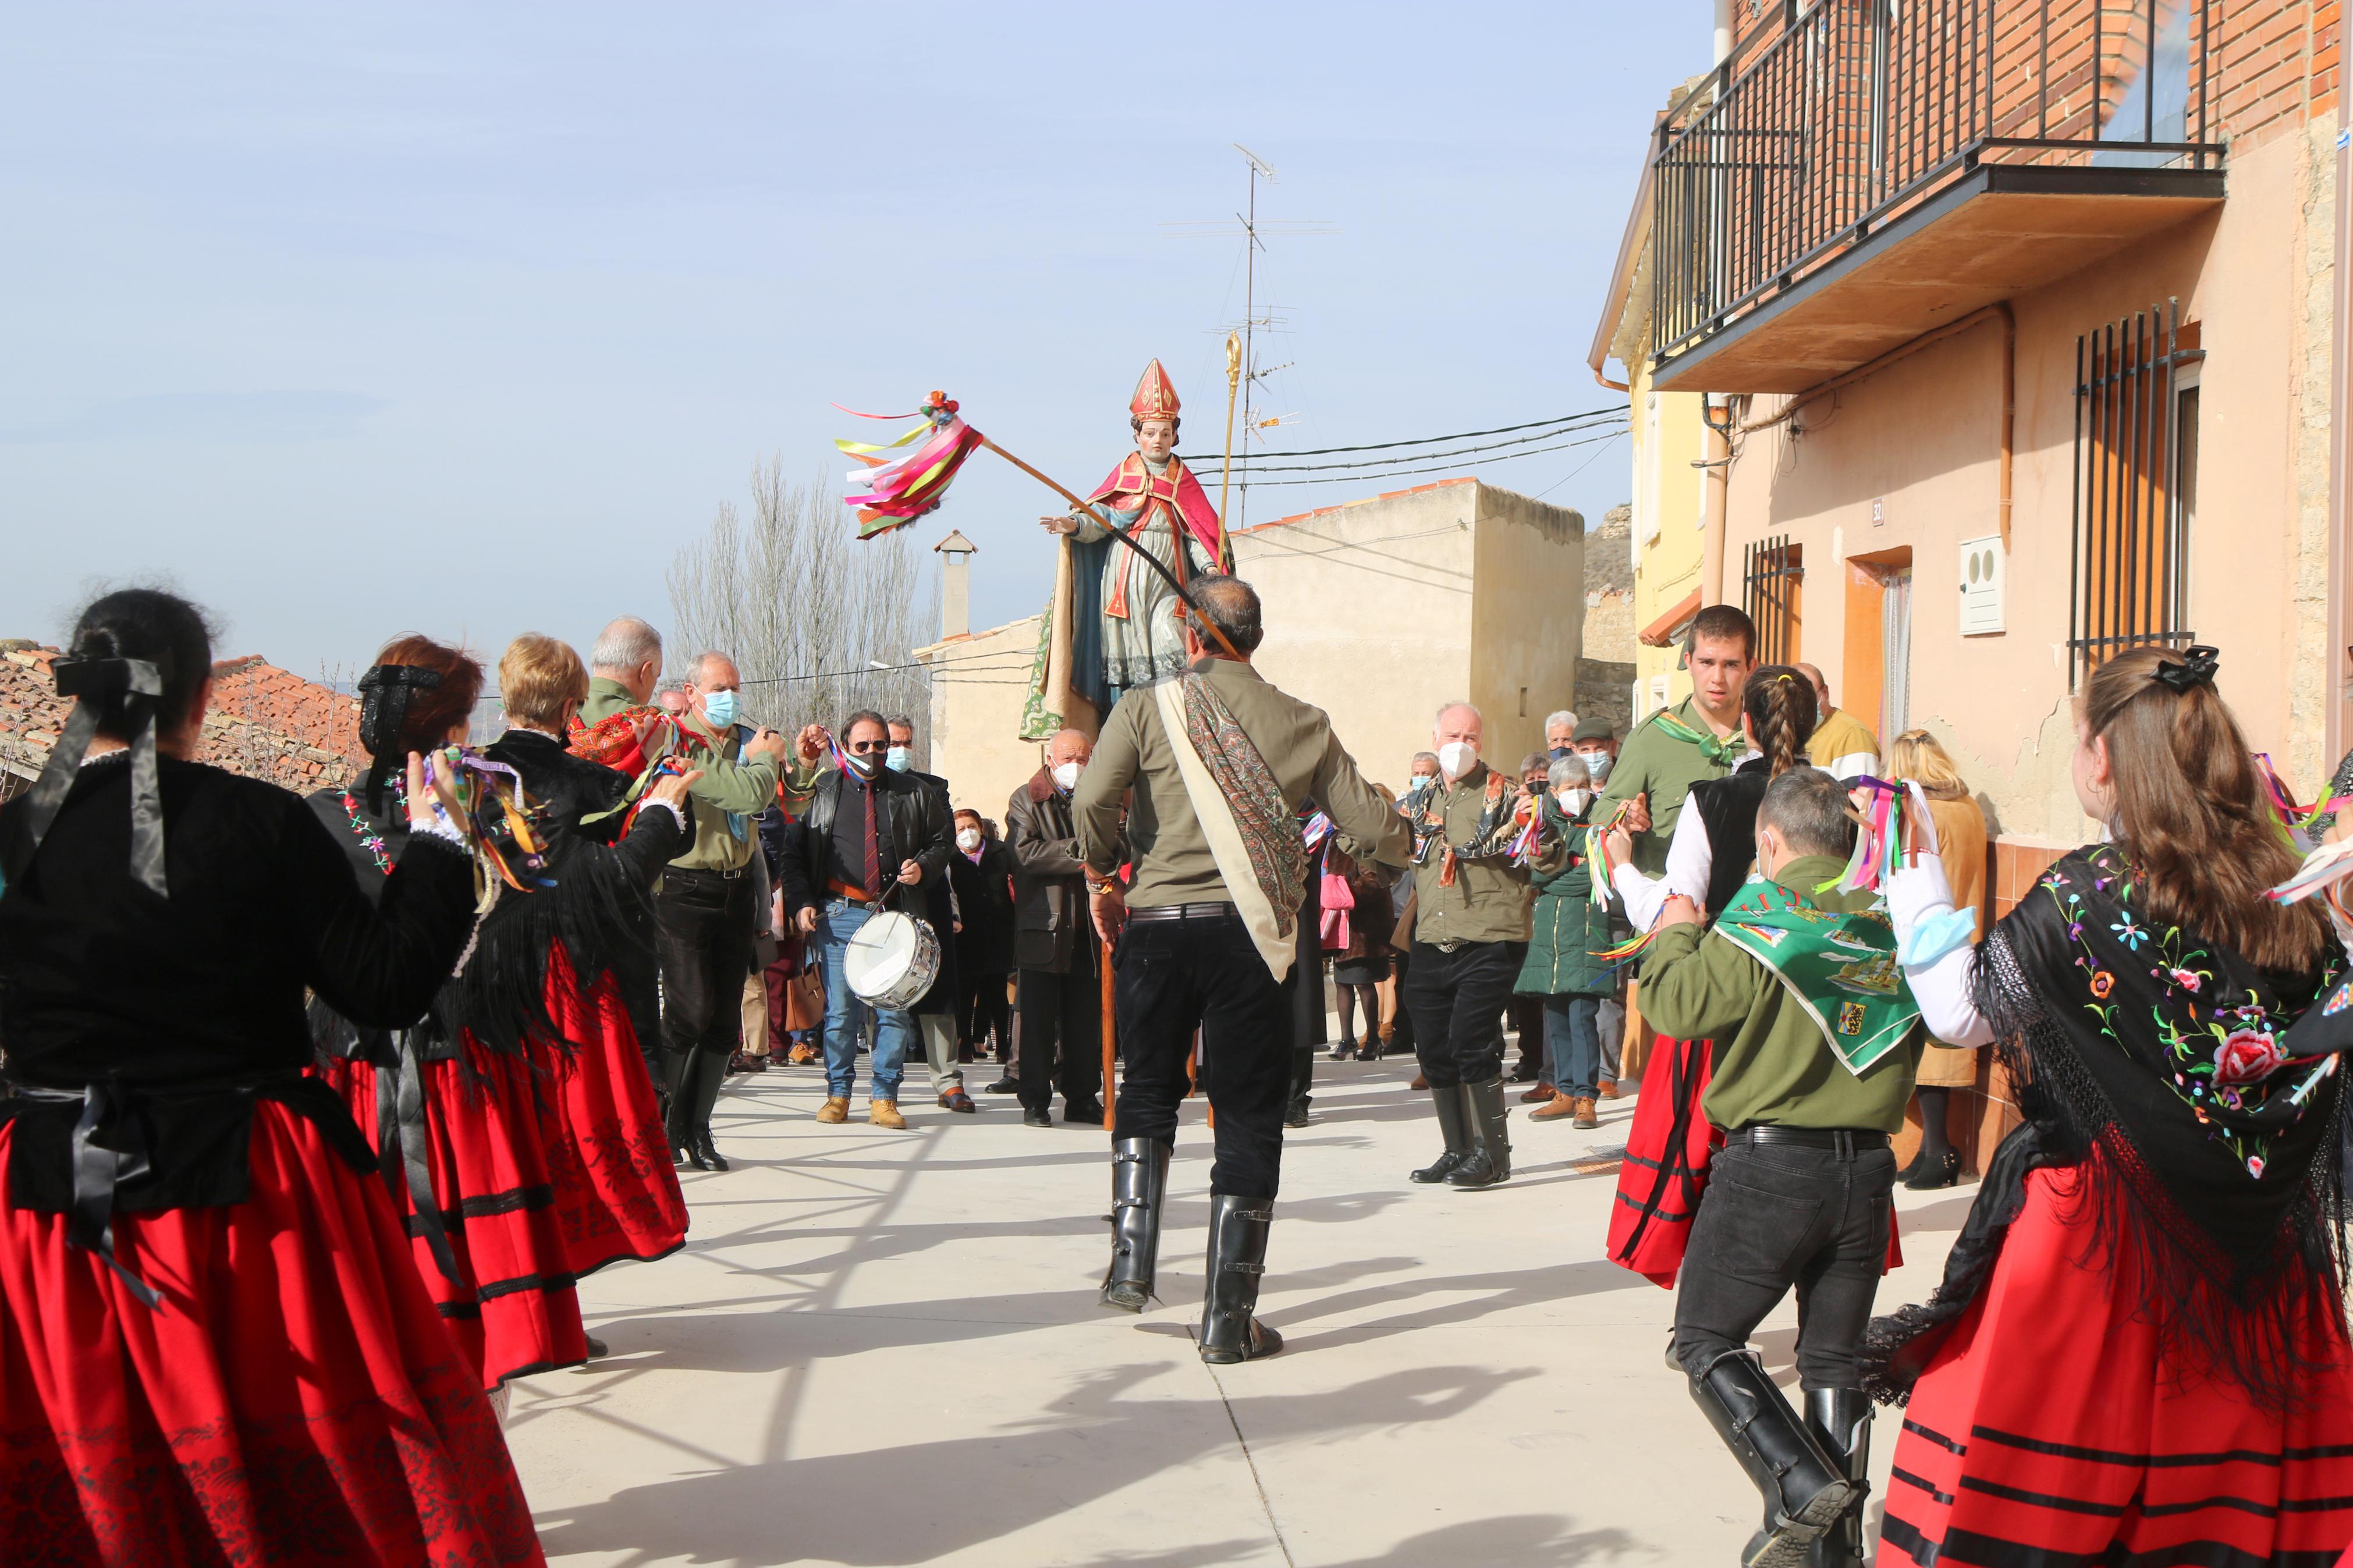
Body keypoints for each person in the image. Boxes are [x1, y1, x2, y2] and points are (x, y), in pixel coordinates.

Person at [0, 589, 540, 1562]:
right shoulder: (260, 822)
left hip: (50, 1209)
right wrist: (439, 849)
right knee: (311, 1463)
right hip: (251, 1202)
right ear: (202, 694)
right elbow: (384, 987)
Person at [1866, 645, 2353, 1567]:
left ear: (2101, 755)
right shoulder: (2288, 892)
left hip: (2103, 1237)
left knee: (2058, 1501)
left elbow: (1961, 1009)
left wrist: (1914, 880)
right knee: (2219, 1495)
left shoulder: (2088, 889)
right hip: (2258, 1239)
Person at [1074, 575, 1408, 1362]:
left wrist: (1102, 875)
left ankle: (1131, 1261)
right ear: (1250, 636)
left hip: (1156, 926)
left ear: (1191, 635)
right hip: (1254, 939)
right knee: (1249, 1113)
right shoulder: (1303, 722)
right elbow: (1378, 832)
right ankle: (1228, 1320)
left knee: (1148, 1086)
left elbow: (1091, 801)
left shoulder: (1145, 707)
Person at [1641, 767, 1919, 1568]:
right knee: (1832, 1360)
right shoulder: (1892, 918)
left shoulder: (1762, 913)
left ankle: (1797, 1484)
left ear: (1769, 840)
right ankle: (1832, 1550)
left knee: (1702, 1337)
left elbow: (1675, 1008)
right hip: (1865, 1168)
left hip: (1770, 1167)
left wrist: (1675, 927)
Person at [482, 635, 695, 1277]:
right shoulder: (588, 781)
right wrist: (662, 810)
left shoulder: (464, 772)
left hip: (482, 983)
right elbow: (614, 877)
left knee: (504, 1141)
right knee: (569, 1137)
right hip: (563, 981)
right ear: (572, 705)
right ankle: (558, 1279)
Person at [1600, 663, 1819, 1289]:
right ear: (1813, 722)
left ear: (1744, 723)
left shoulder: (1712, 799)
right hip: (1815, 1003)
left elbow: (1673, 913)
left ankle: (1703, 1319)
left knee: (1705, 1158)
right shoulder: (1843, 801)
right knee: (1813, 1150)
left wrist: (1620, 866)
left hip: (1722, 1006)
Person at [1401, 701, 1566, 1191]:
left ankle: (1494, 1156)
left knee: (1471, 1041)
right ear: (1435, 737)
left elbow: (1550, 858)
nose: (1460, 745)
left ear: (1481, 743)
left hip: (1491, 938)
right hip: (1433, 936)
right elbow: (1388, 851)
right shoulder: (1417, 803)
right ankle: (1457, 1149)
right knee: (1433, 1049)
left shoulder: (1509, 796)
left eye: (1470, 737)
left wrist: (1537, 831)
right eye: (1452, 735)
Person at [646, 651, 789, 1170]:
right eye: (719, 687)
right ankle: (660, 1125)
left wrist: (809, 759)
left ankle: (696, 1127)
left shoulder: (744, 740)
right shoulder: (674, 742)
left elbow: (787, 797)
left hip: (735, 890)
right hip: (683, 886)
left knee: (724, 1020)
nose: (729, 697)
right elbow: (749, 795)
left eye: (735, 686)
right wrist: (765, 762)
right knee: (688, 1010)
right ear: (692, 691)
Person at [779, 710, 953, 1128]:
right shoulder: (823, 790)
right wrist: (801, 901)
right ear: (845, 747)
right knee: (841, 1012)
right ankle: (838, 1093)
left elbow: (942, 839)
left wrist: (925, 867)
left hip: (895, 912)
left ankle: (884, 1098)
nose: (874, 753)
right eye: (864, 745)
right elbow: (794, 855)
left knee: (892, 1011)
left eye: (882, 745)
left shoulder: (914, 791)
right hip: (839, 913)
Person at [1035, 359, 1223, 726]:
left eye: (1165, 433)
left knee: (1172, 639)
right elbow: (1104, 520)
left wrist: (1211, 564)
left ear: (1175, 436)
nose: (1158, 440)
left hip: (1170, 577)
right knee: (1131, 653)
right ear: (1137, 434)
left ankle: (1178, 719)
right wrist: (1072, 524)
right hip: (1126, 578)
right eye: (1151, 432)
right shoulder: (1126, 474)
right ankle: (1133, 723)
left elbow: (1197, 531)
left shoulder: (1182, 480)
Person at [1884, 728, 1987, 1190]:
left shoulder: (1919, 814)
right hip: (1965, 928)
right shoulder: (1968, 808)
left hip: (1928, 935)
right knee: (1939, 1048)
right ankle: (1932, 1149)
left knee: (1928, 1050)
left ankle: (1939, 1148)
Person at [1005, 727, 1112, 1128]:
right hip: (1043, 926)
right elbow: (1025, 853)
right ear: (1050, 760)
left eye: (1083, 758)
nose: (1076, 766)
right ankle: (1034, 1099)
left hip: (1088, 926)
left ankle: (1082, 1096)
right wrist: (1082, 853)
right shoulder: (1025, 798)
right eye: (1068, 758)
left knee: (1085, 1020)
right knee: (1036, 1020)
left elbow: (1119, 839)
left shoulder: (1100, 793)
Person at [1517, 753, 1614, 1129]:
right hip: (1548, 938)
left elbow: (1595, 878)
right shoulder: (1541, 826)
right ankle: (1564, 1091)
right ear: (1554, 791)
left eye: (1583, 787)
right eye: (1570, 788)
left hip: (1587, 930)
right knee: (1555, 1016)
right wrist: (1565, 871)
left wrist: (1558, 877)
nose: (1578, 794)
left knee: (1582, 1017)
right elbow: (1532, 877)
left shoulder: (1600, 822)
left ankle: (1587, 1096)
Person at [886, 716, 973, 1112]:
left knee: (937, 992)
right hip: (882, 901)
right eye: (892, 742)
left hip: (927, 897)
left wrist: (922, 866)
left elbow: (945, 841)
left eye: (906, 742)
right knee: (883, 991)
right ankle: (882, 1084)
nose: (899, 750)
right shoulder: (858, 789)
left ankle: (948, 1081)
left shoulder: (933, 787)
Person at [1569, 717, 1628, 1094]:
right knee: (1572, 990)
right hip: (1576, 902)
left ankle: (1606, 1073)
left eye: (1598, 747)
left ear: (1613, 747)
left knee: (1611, 989)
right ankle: (1568, 1073)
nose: (1592, 756)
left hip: (1618, 902)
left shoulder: (1628, 788)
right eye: (1583, 749)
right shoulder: (1566, 794)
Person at [949, 808, 1018, 1065]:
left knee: (997, 993)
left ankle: (1003, 1046)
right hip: (965, 935)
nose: (968, 833)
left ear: (980, 827)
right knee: (965, 994)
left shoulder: (1001, 853)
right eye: (961, 829)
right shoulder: (950, 858)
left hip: (998, 932)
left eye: (972, 827)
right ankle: (964, 1044)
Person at [1325, 825, 1397, 1060]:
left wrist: (1347, 896)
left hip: (1365, 927)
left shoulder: (1366, 836)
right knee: (1342, 982)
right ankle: (1347, 1039)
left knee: (1364, 983)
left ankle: (1373, 1039)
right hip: (1342, 923)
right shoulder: (1336, 838)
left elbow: (1375, 879)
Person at [1795, 661, 1880, 780]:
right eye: (1794, 698)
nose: (1802, 704)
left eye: (1809, 697)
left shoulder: (1853, 736)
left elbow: (1860, 795)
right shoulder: (1789, 733)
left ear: (1825, 692)